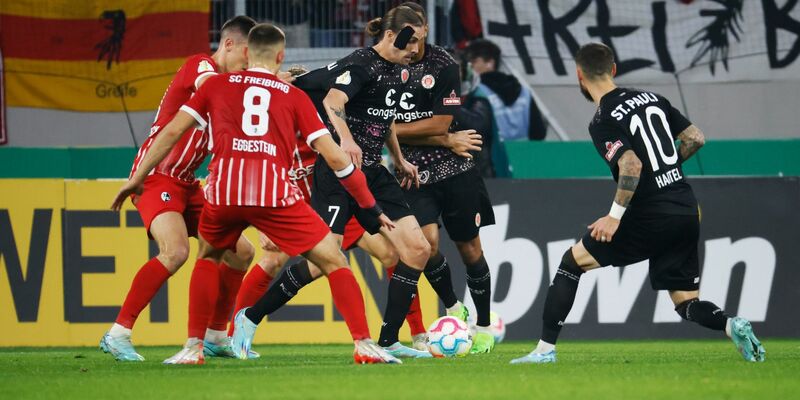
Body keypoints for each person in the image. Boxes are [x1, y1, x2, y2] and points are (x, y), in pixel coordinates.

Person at [112, 23, 400, 365]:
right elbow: (336, 157)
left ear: (248, 53)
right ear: (280, 56)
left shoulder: (217, 85)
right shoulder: (291, 94)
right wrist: (368, 206)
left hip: (223, 191)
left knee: (209, 257)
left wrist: (136, 177)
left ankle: (194, 347)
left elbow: (173, 129)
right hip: (273, 193)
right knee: (334, 260)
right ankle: (364, 344)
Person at [510, 43, 766, 364]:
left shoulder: (602, 119)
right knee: (686, 302)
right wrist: (667, 168)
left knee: (571, 263)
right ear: (613, 69)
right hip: (685, 206)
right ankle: (731, 324)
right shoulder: (653, 99)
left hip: (651, 211)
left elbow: (631, 165)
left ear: (580, 76)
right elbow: (695, 137)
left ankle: (544, 351)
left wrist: (615, 216)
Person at [234, 5, 433, 359]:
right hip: (339, 173)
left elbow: (382, 117)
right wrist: (346, 139)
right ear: (390, 36)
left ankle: (389, 340)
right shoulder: (361, 64)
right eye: (412, 41)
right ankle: (250, 317)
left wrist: (399, 159)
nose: (416, 50)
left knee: (417, 250)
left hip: (373, 172)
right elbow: (332, 99)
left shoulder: (399, 71)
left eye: (420, 42)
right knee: (322, 259)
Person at [99, 16, 257, 362]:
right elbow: (212, 87)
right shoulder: (200, 65)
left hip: (187, 182)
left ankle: (216, 336)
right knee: (176, 252)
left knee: (241, 252)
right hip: (157, 175)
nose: (246, 67)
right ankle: (118, 333)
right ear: (228, 45)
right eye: (246, 58)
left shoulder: (230, 85)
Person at [392, 2, 496, 354]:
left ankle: (483, 325)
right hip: (412, 173)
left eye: (413, 37)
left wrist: (391, 129)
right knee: (426, 246)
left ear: (423, 31)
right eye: (401, 39)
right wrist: (442, 137)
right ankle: (454, 306)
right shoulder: (383, 64)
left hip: (456, 171)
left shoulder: (444, 65)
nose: (407, 46)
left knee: (470, 249)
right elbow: (438, 131)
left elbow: (440, 123)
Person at [466, 38, 547, 177]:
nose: (469, 66)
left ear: (490, 63)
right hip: (524, 164)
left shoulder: (477, 93)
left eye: (473, 61)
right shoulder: (524, 92)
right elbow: (538, 133)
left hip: (494, 166)